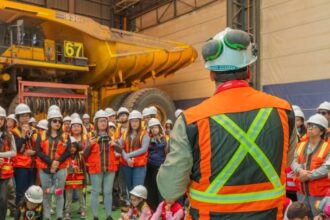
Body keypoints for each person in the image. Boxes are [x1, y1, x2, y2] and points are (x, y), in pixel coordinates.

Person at [157, 28, 296, 219]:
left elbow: (170, 188)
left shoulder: (192, 120)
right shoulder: (283, 111)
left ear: (212, 75)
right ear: (249, 71)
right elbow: (284, 161)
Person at [291, 114, 330, 217]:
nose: (310, 128)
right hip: (301, 192)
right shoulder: (300, 145)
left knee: (320, 216)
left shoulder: (327, 147)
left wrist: (308, 176)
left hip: (319, 194)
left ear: (321, 131)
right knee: (303, 217)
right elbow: (292, 160)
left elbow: (327, 168)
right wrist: (300, 171)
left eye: (314, 126)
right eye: (309, 125)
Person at [36, 109, 71, 220]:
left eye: (59, 121)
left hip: (60, 170)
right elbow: (38, 151)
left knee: (59, 193)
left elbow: (68, 151)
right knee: (47, 193)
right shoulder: (41, 135)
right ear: (50, 122)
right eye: (55, 121)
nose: (57, 123)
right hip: (45, 169)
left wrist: (57, 162)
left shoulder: (66, 136)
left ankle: (59, 216)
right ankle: (46, 217)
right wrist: (51, 162)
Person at [84, 110, 118, 220]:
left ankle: (108, 215)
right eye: (100, 121)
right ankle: (95, 216)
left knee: (108, 192)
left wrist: (115, 145)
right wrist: (89, 145)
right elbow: (84, 154)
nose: (103, 123)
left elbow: (120, 150)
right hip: (96, 168)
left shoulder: (112, 135)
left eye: (105, 121)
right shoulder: (90, 135)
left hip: (110, 168)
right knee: (95, 192)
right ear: (96, 123)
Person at [12, 103, 37, 205]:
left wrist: (34, 152)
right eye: (22, 116)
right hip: (20, 166)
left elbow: (39, 147)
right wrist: (23, 134)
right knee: (21, 192)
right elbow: (18, 149)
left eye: (27, 115)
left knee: (31, 191)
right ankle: (18, 213)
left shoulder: (34, 131)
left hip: (33, 164)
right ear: (18, 118)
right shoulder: (13, 132)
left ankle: (29, 213)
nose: (25, 118)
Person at [119, 110, 150, 192]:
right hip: (126, 165)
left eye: (136, 121)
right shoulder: (125, 133)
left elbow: (144, 149)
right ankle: (131, 204)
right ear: (129, 122)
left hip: (139, 166)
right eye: (132, 121)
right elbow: (119, 146)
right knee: (129, 189)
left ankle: (137, 205)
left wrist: (127, 155)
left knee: (137, 189)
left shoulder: (144, 134)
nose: (134, 123)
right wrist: (127, 159)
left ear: (140, 122)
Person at [145, 118, 167, 211]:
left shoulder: (164, 138)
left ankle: (162, 207)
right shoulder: (147, 139)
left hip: (161, 166)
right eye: (152, 128)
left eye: (156, 127)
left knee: (160, 188)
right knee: (151, 187)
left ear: (159, 128)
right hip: (150, 166)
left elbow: (165, 149)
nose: (154, 129)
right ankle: (153, 207)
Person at [0, 106, 16, 219]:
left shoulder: (9, 135)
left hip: (4, 174)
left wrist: (1, 155)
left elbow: (14, 152)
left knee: (3, 199)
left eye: (1, 119)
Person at [64, 137, 87, 219]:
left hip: (79, 180)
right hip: (68, 180)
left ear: (77, 148)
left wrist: (85, 181)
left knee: (81, 196)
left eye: (74, 147)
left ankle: (83, 210)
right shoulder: (65, 157)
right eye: (70, 146)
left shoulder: (80, 157)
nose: (72, 149)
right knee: (68, 197)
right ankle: (67, 212)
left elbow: (84, 170)